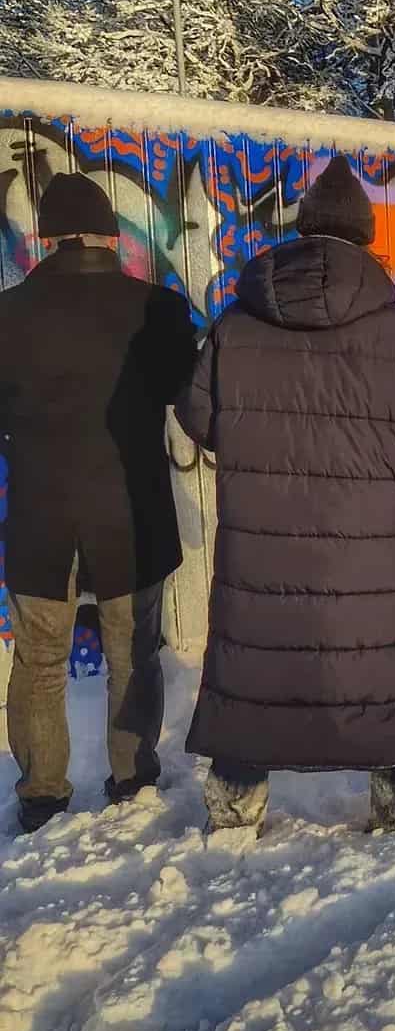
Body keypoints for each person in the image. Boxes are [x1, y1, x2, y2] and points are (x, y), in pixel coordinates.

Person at [176, 154, 395, 841]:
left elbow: (197, 416)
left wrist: (256, 440)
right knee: (386, 678)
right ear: (367, 239)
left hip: (265, 543)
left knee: (256, 677)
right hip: (378, 557)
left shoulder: (237, 324)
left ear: (304, 229)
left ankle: (234, 815)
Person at [0, 174, 196, 833]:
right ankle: (133, 779)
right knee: (133, 656)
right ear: (110, 234)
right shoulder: (160, 309)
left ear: (47, 239)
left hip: (39, 520)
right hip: (131, 520)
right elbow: (183, 396)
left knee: (39, 661)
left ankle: (42, 795)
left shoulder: (6, 315)